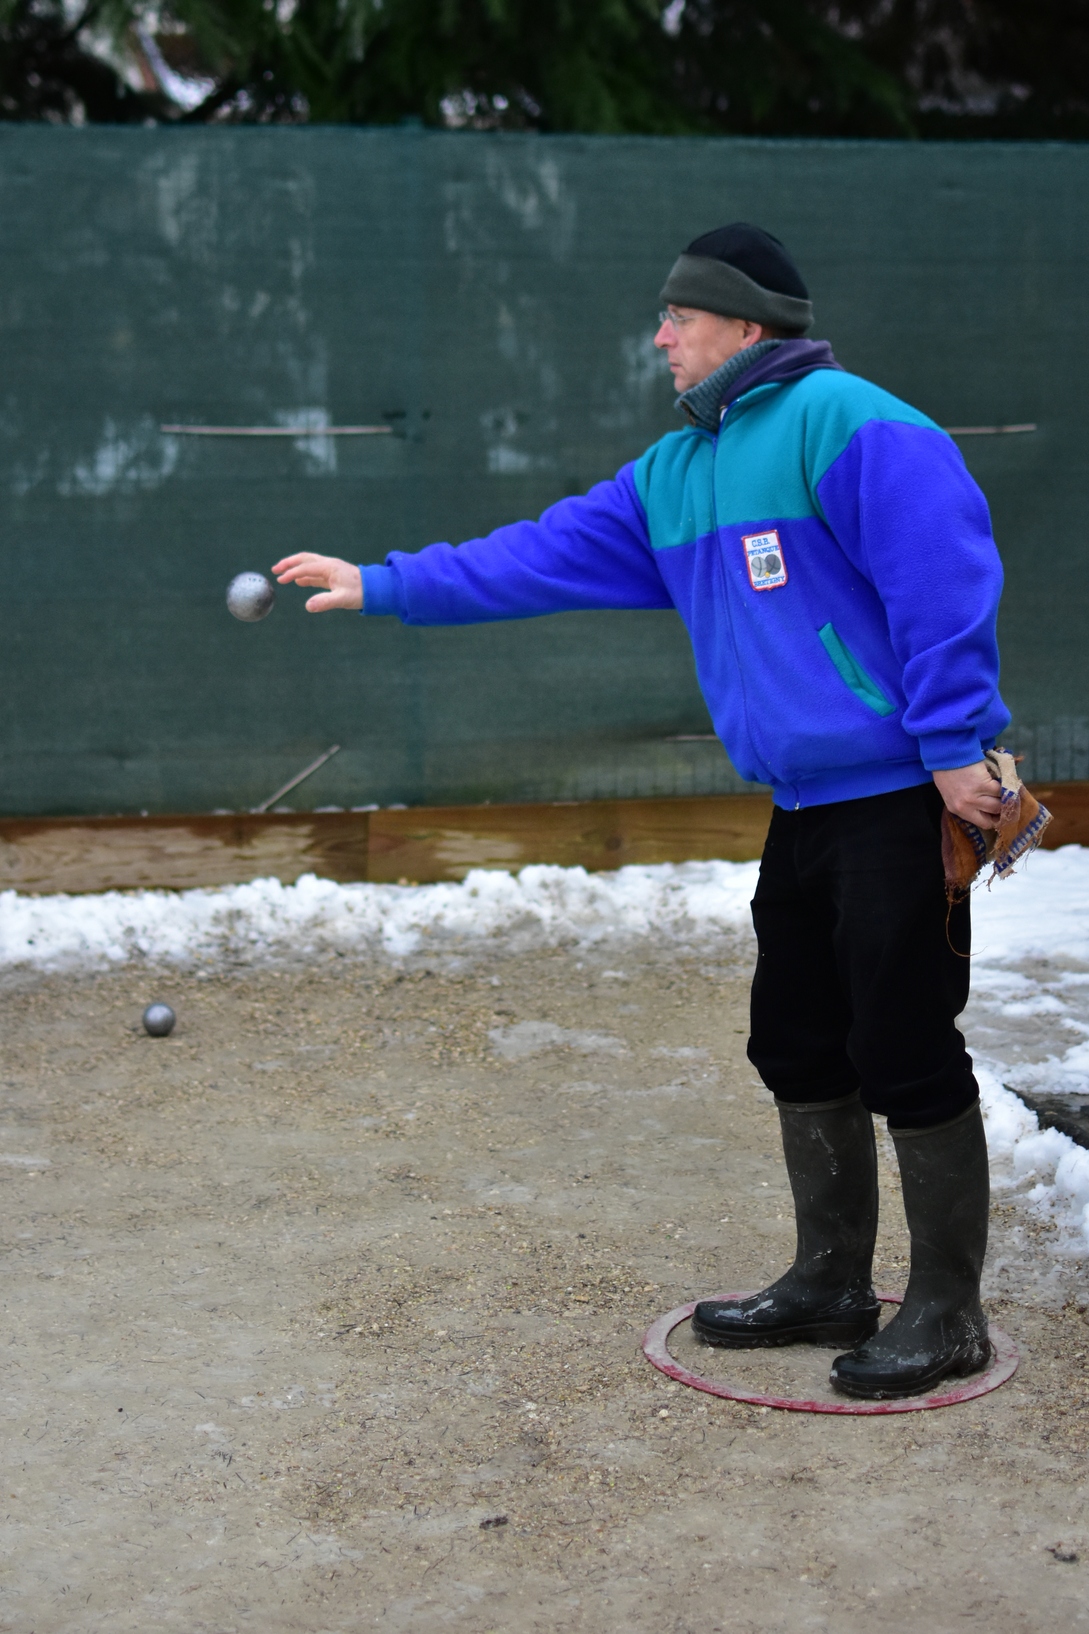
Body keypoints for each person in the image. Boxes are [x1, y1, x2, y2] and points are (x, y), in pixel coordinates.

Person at [273, 222, 1009, 1400]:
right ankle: (830, 1278)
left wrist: (951, 743)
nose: (660, 334)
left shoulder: (854, 424)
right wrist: (385, 583)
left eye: (681, 314)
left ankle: (946, 1310)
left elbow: (944, 573)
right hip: (802, 806)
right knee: (797, 1037)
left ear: (747, 324)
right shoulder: (677, 474)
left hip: (892, 798)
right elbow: (539, 553)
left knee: (907, 1044)